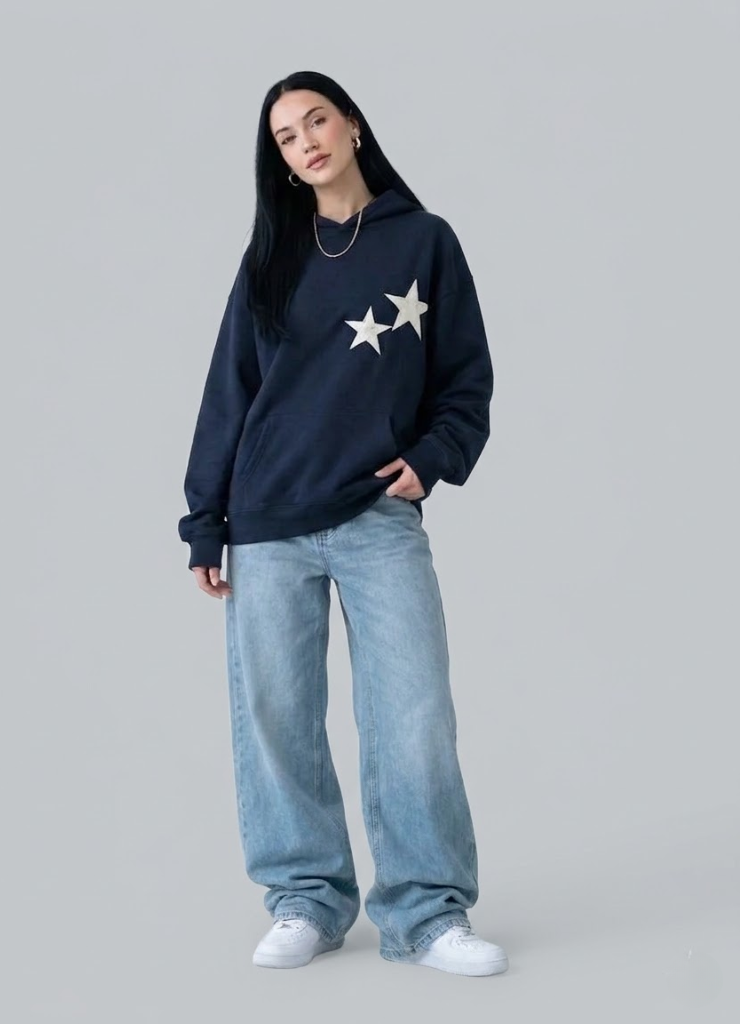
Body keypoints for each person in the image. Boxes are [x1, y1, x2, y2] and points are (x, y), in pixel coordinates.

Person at [177, 70, 508, 977]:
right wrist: (205, 519)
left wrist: (431, 459)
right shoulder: (270, 259)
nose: (306, 142)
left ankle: (427, 914)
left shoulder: (424, 242)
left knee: (414, 718)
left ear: (352, 125)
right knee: (277, 722)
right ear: (281, 163)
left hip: (374, 517)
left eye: (315, 120)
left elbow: (466, 380)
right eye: (285, 137)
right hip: (266, 522)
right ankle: (306, 900)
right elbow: (229, 393)